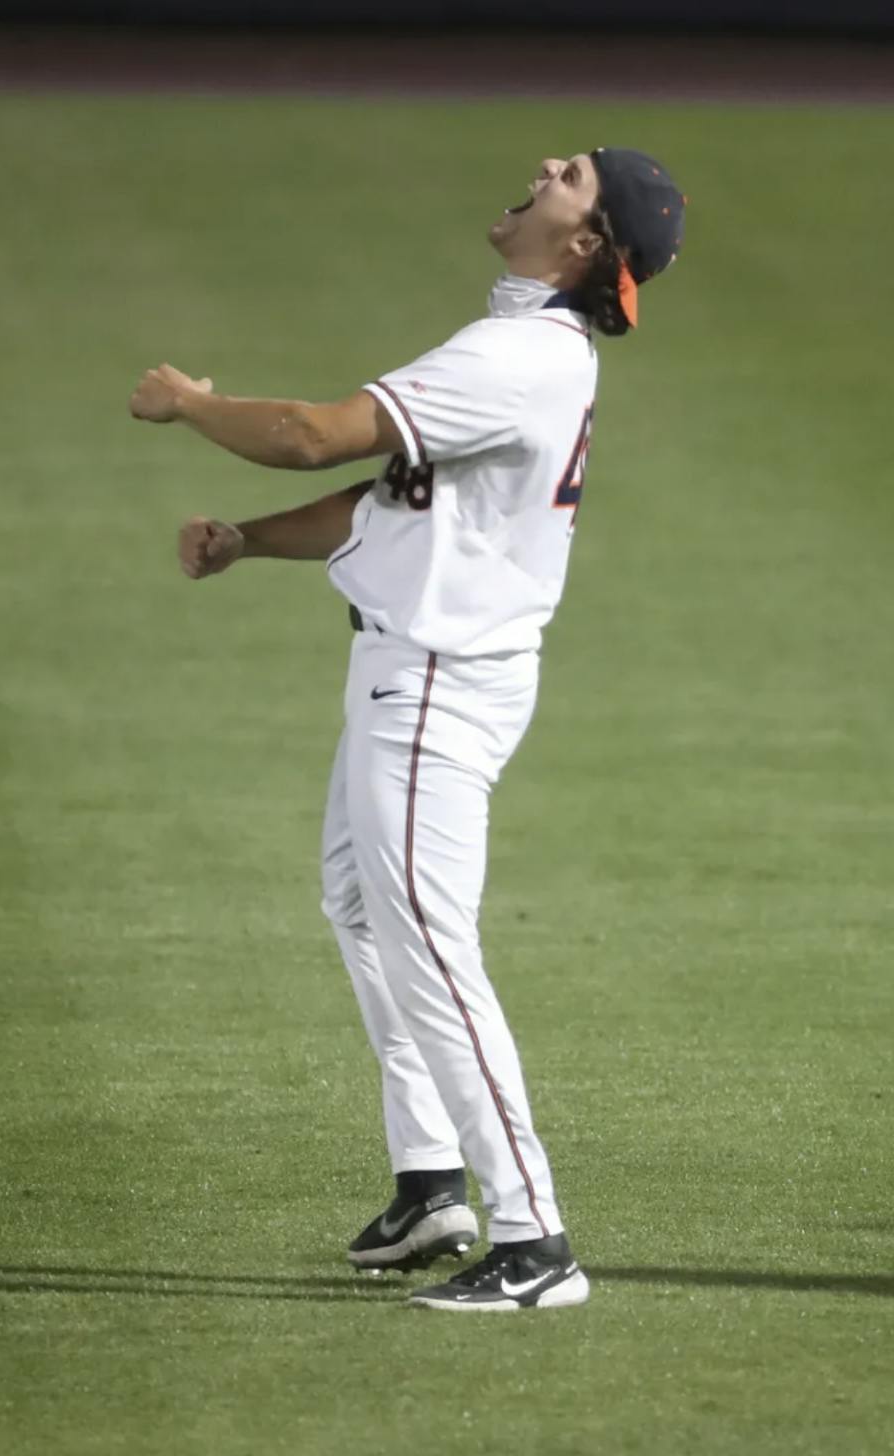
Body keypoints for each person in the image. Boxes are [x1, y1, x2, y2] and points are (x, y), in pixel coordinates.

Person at [129, 147, 684, 1311]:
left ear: (585, 244)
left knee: (429, 943)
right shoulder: (526, 349)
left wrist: (190, 404)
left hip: (437, 685)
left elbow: (311, 433)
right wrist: (248, 540)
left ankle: (534, 1240)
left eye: (574, 175)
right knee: (359, 904)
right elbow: (393, 502)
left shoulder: (516, 357)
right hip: (418, 671)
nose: (547, 164)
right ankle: (430, 1180)